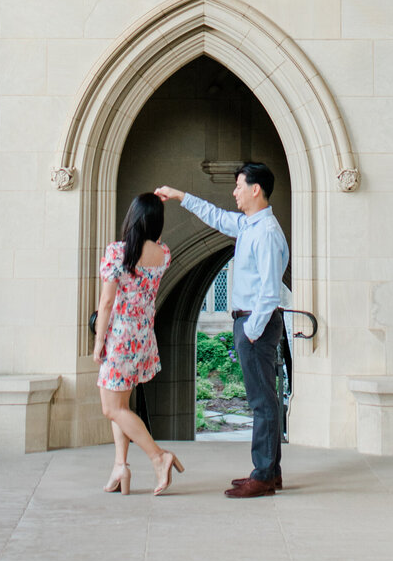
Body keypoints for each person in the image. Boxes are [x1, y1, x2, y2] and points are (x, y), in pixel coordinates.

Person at [155, 163, 289, 499]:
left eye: (239, 186)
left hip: (255, 323)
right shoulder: (247, 225)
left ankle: (263, 475)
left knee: (262, 402)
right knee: (264, 400)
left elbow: (270, 291)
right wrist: (179, 196)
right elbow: (214, 215)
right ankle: (270, 473)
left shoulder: (267, 232)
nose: (234, 192)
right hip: (247, 322)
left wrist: (252, 331)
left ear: (255, 189)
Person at [94, 191, 185, 495]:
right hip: (143, 338)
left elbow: (106, 303)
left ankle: (159, 457)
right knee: (122, 404)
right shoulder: (164, 254)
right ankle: (120, 466)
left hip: (120, 338)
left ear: (131, 218)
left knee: (111, 408)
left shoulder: (118, 252)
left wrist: (98, 343)